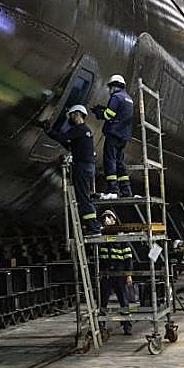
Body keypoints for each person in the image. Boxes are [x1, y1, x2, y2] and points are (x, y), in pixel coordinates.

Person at [45, 105, 100, 235]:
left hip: (82, 167)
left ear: (77, 114)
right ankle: (93, 226)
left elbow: (62, 138)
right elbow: (70, 145)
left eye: (71, 115)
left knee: (83, 197)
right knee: (85, 196)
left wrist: (48, 131)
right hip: (88, 167)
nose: (70, 118)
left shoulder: (79, 129)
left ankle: (94, 227)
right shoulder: (85, 131)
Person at [97, 74, 136, 197]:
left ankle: (112, 189)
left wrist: (99, 113)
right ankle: (126, 190)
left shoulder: (116, 97)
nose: (109, 90)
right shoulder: (128, 99)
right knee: (119, 162)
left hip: (113, 134)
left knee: (110, 160)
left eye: (110, 87)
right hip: (123, 136)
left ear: (114, 86)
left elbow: (109, 115)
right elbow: (121, 114)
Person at [97, 210, 133, 314]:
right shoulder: (101, 237)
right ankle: (101, 325)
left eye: (109, 217)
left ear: (114, 220)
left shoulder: (121, 238)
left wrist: (128, 274)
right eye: (104, 218)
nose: (106, 220)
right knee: (102, 301)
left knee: (123, 299)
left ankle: (127, 326)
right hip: (106, 273)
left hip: (119, 273)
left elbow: (128, 257)